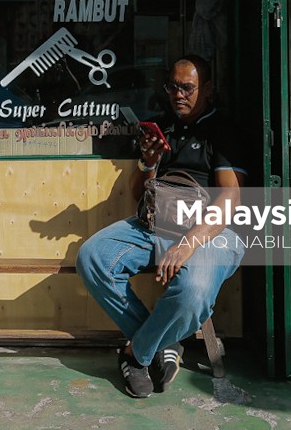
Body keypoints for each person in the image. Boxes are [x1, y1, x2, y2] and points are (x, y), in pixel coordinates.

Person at [76, 54, 245, 398]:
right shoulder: (161, 126)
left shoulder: (223, 131)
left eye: (188, 87)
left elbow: (231, 199)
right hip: (156, 225)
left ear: (207, 89)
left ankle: (135, 354)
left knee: (194, 292)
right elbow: (137, 193)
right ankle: (163, 345)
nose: (178, 94)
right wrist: (148, 162)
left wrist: (188, 245)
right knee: (93, 257)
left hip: (211, 233)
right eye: (173, 87)